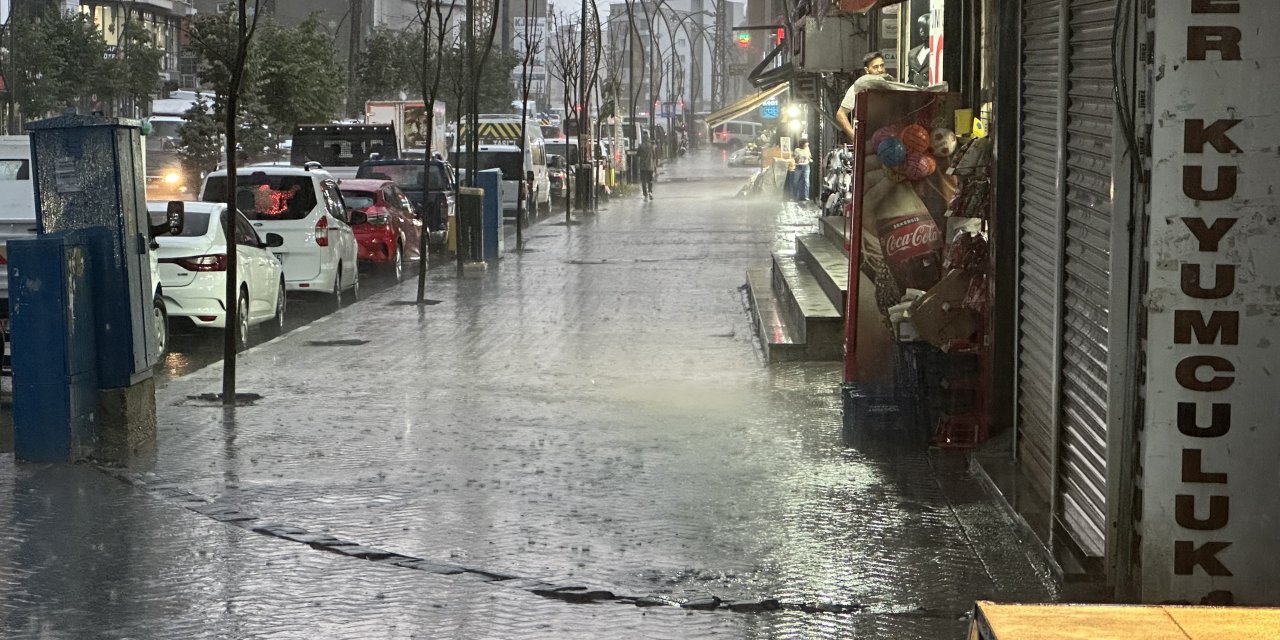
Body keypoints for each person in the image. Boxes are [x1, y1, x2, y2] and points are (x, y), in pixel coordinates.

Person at [835, 51, 918, 143]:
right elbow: (840, 114)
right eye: (875, 67)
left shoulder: (891, 84)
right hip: (867, 140)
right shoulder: (859, 86)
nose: (880, 70)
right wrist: (855, 138)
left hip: (890, 137)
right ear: (867, 70)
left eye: (882, 65)